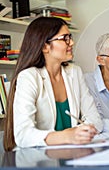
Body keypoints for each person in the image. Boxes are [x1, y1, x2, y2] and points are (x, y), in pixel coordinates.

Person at [3, 17, 103, 151]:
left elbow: (95, 119)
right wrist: (66, 136)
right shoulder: (29, 77)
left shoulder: (75, 72)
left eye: (70, 37)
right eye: (65, 38)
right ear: (45, 46)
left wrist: (79, 133)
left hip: (72, 154)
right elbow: (23, 135)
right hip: (36, 158)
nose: (72, 43)